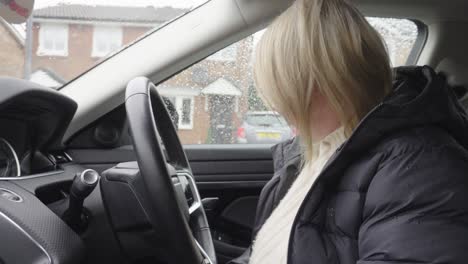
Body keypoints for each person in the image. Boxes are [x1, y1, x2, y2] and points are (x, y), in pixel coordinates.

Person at [229, 0, 468, 263]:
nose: (277, 106)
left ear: (315, 81)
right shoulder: (316, 155)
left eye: (280, 89)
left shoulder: (420, 167)